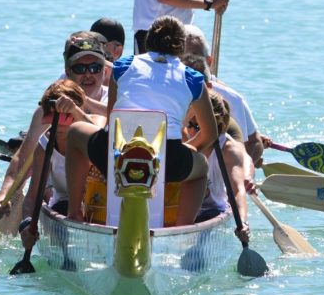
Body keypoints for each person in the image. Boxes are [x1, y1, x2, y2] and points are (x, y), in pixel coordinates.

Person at [65, 15, 218, 225]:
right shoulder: (193, 78)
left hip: (116, 153)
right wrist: (189, 149)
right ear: (181, 48)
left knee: (75, 133)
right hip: (167, 161)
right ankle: (182, 229)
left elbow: (112, 118)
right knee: (201, 167)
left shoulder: (123, 66)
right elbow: (210, 134)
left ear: (147, 42)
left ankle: (74, 213)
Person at [0, 32, 109, 223]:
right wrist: (4, 195)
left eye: (95, 67)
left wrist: (78, 106)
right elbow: (22, 158)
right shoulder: (47, 110)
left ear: (105, 71)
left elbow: (101, 139)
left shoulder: (114, 105)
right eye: (80, 68)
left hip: (101, 195)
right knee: (45, 190)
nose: (88, 74)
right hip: (62, 193)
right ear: (67, 72)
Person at [18, 79, 94, 250]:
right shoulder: (44, 145)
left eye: (66, 115)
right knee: (62, 206)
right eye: (53, 116)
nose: (59, 122)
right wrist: (26, 224)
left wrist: (75, 110)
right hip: (63, 206)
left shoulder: (94, 125)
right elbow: (31, 198)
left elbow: (104, 143)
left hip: (97, 205)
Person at [183, 24, 264, 169]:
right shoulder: (167, 93)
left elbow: (253, 143)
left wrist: (244, 168)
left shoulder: (233, 99)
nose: (188, 63)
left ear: (208, 61)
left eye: (194, 56)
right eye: (182, 57)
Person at [186, 90, 251, 243]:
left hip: (212, 211)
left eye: (197, 126)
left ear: (214, 125)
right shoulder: (182, 135)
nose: (191, 131)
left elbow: (238, 192)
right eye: (189, 124)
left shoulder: (229, 149)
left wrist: (242, 222)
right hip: (184, 209)